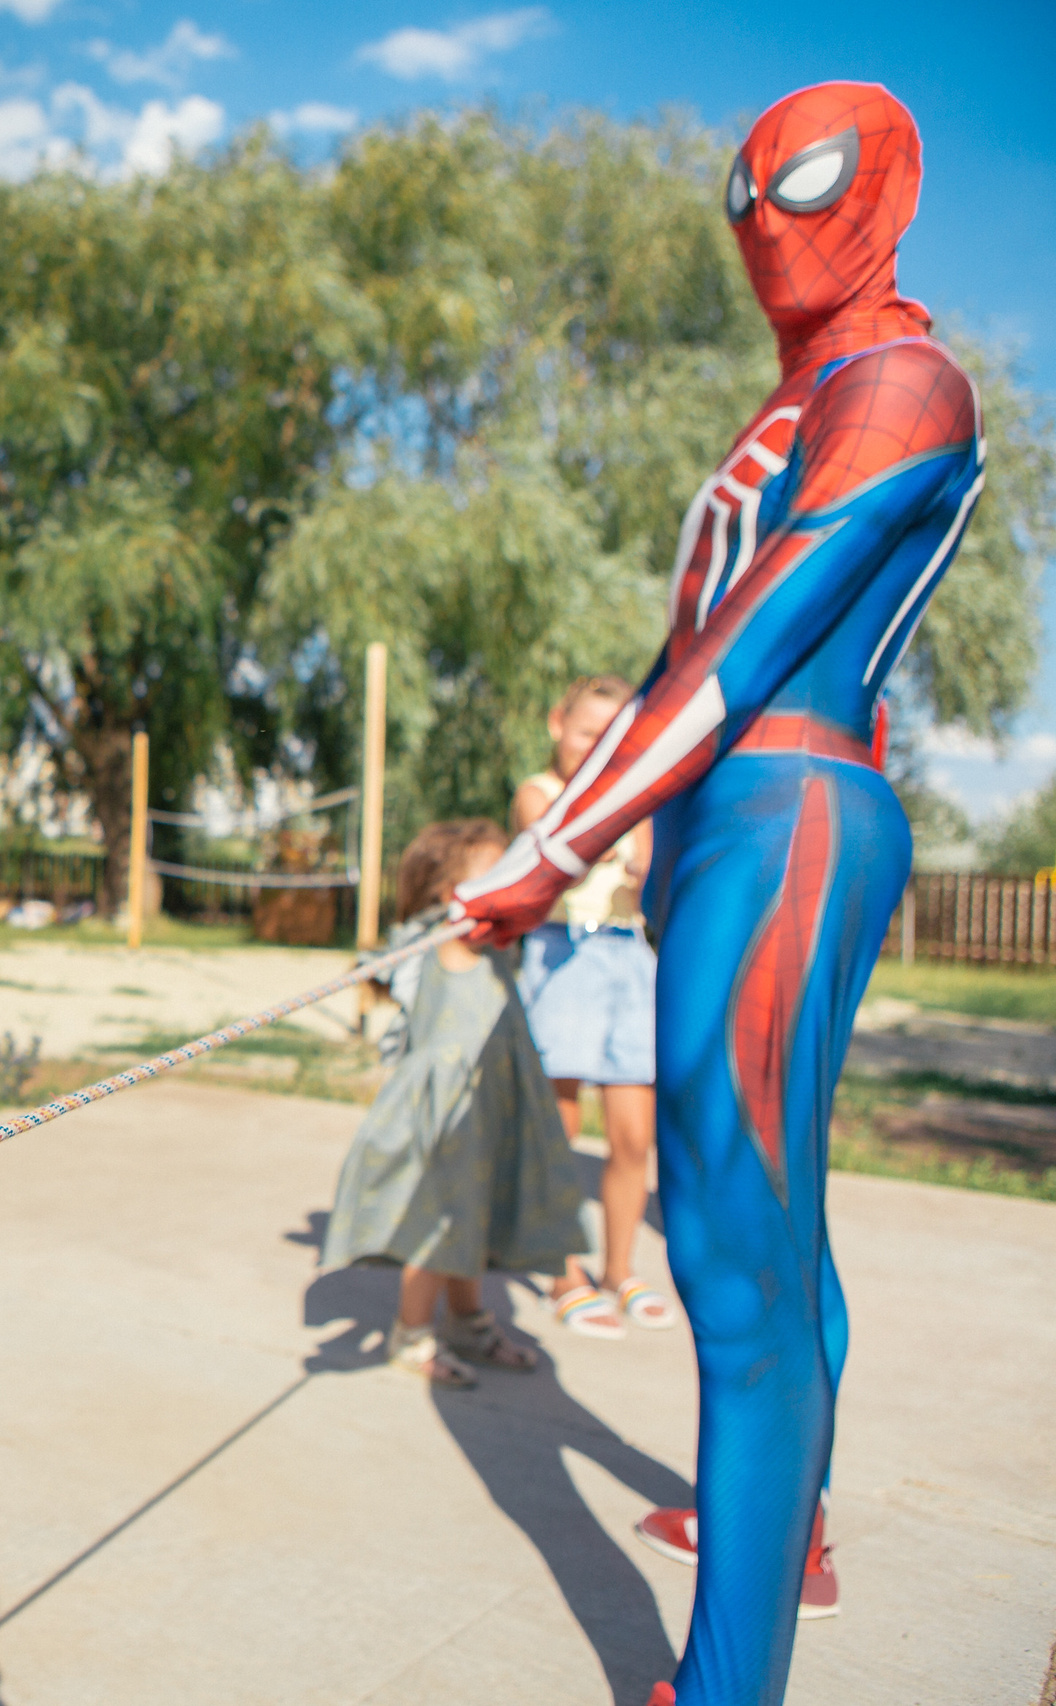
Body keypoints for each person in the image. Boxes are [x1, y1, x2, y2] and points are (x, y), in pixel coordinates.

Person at [453, 84, 983, 1698]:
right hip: (725, 829)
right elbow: (698, 660)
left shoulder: (902, 381)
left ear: (883, 187)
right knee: (766, 1226)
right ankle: (787, 1530)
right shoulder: (807, 389)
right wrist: (604, 840)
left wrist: (556, 847)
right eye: (741, 188)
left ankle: (730, 1680)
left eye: (805, 180)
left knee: (734, 1255)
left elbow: (744, 653)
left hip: (792, 813)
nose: (765, 213)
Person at [323, 820, 586, 1388]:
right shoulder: (448, 935)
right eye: (497, 875)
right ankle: (412, 1334)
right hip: (447, 1115)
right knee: (439, 1223)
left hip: (490, 1107)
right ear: (452, 894)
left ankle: (468, 1322)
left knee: (473, 1219)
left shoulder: (494, 940)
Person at [511, 675, 676, 1339]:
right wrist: (598, 843)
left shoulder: (636, 803)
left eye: (612, 738)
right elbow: (557, 858)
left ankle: (620, 1268)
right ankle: (562, 1270)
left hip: (627, 957)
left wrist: (643, 863)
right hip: (563, 954)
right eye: (587, 732)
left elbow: (649, 874)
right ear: (558, 724)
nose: (596, 746)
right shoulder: (538, 791)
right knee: (560, 1126)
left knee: (635, 1134)